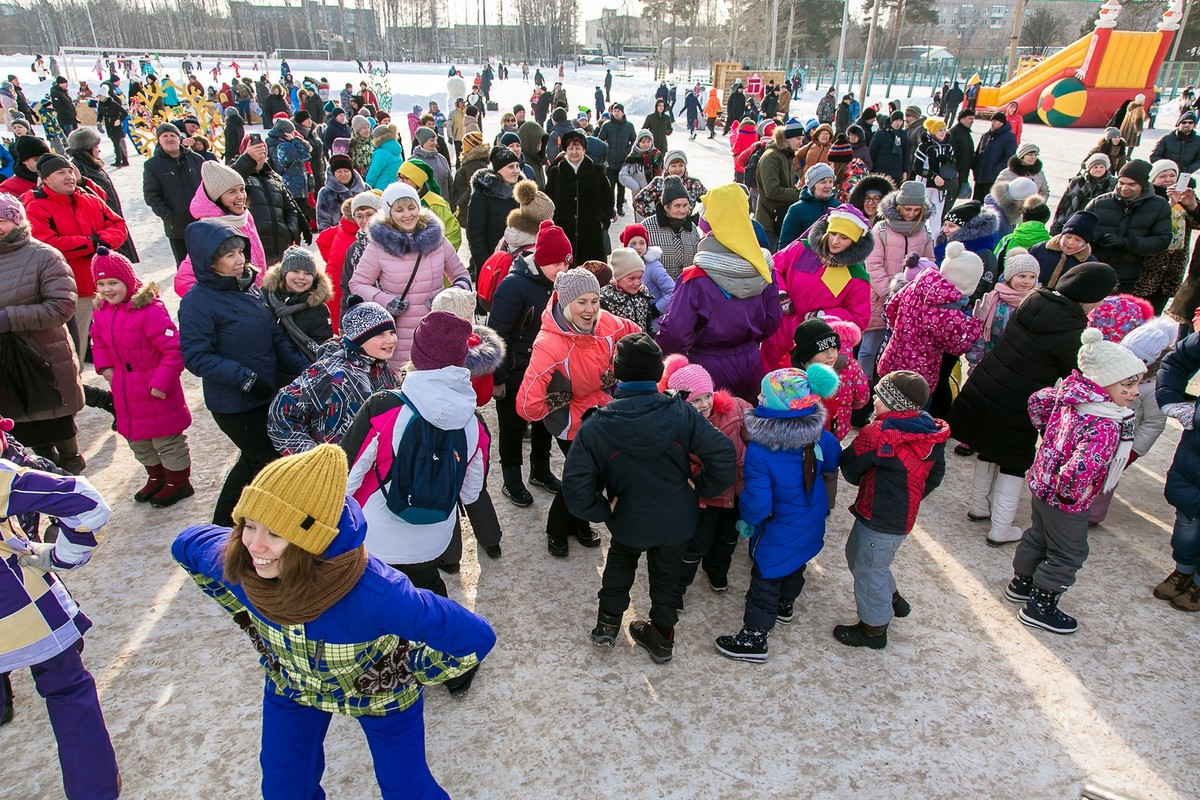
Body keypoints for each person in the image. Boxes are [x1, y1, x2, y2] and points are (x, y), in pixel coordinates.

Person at [173, 444, 495, 799]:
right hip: (293, 686)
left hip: (378, 697)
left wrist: (408, 670)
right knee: (284, 787)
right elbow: (186, 546)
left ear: (312, 541)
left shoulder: (378, 594)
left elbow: (474, 637)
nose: (255, 546)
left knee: (406, 788)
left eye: (276, 534)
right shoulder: (239, 563)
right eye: (249, 526)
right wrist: (246, 618)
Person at [565, 332, 735, 664]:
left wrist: (601, 509)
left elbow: (574, 486)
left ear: (617, 373)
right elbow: (723, 454)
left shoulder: (596, 424)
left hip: (627, 517)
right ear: (658, 373)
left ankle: (607, 626)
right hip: (678, 517)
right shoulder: (682, 413)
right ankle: (661, 638)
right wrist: (701, 489)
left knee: (620, 564)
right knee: (667, 577)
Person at [951, 262, 1118, 547]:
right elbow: (1074, 372)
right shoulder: (1071, 329)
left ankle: (979, 506)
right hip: (1019, 400)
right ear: (1089, 296)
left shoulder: (1035, 300)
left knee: (986, 447)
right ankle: (1000, 528)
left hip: (987, 383)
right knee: (1014, 461)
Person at [1006, 329, 1144, 634]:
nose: (1134, 391)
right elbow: (1083, 466)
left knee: (1039, 534)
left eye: (1137, 383)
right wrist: (1070, 495)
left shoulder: (1071, 395)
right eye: (1127, 383)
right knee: (1069, 552)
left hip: (1042, 483)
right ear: (1103, 381)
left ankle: (1022, 583)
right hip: (1067, 499)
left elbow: (1037, 401)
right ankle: (1040, 606)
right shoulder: (1106, 421)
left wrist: (1049, 439)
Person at [0, 457, 119, 798]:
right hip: (24, 607)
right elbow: (85, 502)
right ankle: (93, 791)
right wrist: (63, 556)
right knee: (68, 690)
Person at [178, 219, 309, 526]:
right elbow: (196, 357)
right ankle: (229, 526)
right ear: (210, 262)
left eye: (240, 251)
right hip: (235, 403)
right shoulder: (198, 302)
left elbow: (274, 339)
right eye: (230, 255)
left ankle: (229, 524)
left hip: (266, 394)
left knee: (254, 459)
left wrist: (305, 370)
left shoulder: (249, 289)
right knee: (265, 460)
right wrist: (246, 379)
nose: (240, 260)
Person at [713, 366, 841, 662]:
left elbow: (758, 502)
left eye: (763, 394)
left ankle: (754, 638)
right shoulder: (820, 436)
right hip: (810, 519)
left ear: (777, 407)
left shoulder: (761, 451)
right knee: (796, 563)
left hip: (778, 528)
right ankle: (786, 605)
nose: (758, 396)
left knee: (765, 579)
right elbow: (833, 459)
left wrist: (748, 521)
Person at [517, 268, 640, 556]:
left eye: (594, 300)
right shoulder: (549, 344)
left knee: (596, 475)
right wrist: (563, 397)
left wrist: (618, 372)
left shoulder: (607, 323)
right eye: (581, 302)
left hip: (603, 414)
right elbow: (526, 406)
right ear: (564, 302)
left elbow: (637, 337)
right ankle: (557, 528)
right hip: (570, 422)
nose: (590, 309)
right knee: (580, 477)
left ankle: (579, 522)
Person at [834, 370, 949, 649]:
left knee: (869, 569)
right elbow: (935, 474)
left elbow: (850, 468)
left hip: (878, 515)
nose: (874, 399)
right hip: (898, 516)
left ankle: (873, 629)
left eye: (880, 396)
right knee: (863, 558)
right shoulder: (930, 432)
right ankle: (892, 598)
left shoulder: (879, 433)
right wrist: (910, 495)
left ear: (894, 404)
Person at [90, 244, 195, 507]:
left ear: (127, 281)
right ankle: (156, 476)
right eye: (101, 284)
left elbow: (173, 350)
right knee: (137, 438)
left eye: (113, 283)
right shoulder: (102, 310)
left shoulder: (149, 310)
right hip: (125, 387)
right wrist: (106, 368)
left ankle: (178, 481)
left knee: (166, 438)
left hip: (153, 385)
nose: (107, 290)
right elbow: (98, 341)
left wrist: (160, 383)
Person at [0, 194, 86, 471]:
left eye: (0, 221)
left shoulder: (43, 255)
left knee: (60, 430)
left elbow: (62, 307)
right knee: (31, 440)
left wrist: (7, 318)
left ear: (16, 220)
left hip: (44, 359)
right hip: (7, 369)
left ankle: (75, 487)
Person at [349, 183, 471, 372]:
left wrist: (448, 297)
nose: (407, 214)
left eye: (412, 207)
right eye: (399, 210)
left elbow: (461, 276)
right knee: (402, 388)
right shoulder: (379, 246)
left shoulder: (437, 240)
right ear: (390, 213)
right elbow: (357, 283)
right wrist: (386, 301)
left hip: (437, 331)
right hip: (399, 337)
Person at [488, 215, 564, 506]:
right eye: (556, 263)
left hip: (549, 369)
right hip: (516, 369)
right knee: (512, 426)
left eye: (566, 263)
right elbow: (496, 335)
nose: (562, 269)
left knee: (546, 421)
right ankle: (511, 480)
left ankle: (541, 471)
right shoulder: (513, 285)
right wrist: (497, 379)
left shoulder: (559, 283)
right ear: (541, 259)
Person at [24, 153, 129, 362]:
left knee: (121, 341)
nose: (69, 176)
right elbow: (48, 243)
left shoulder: (89, 197)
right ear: (46, 180)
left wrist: (102, 241)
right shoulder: (36, 206)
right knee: (75, 348)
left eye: (70, 171)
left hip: (106, 284)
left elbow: (119, 226)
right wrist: (92, 243)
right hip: (72, 287)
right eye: (61, 173)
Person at [763, 205, 874, 370]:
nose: (835, 241)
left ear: (855, 242)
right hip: (777, 330)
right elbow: (774, 267)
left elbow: (859, 318)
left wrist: (823, 316)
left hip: (812, 347)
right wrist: (780, 294)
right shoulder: (801, 249)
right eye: (833, 233)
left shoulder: (857, 276)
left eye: (844, 237)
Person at [877, 241, 985, 394]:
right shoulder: (950, 314)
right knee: (910, 415)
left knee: (883, 405)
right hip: (919, 378)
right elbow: (960, 345)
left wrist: (901, 332)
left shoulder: (918, 284)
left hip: (891, 359)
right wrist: (977, 321)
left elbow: (892, 306)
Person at [860, 182, 935, 380]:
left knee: (899, 351)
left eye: (915, 210)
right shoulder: (881, 229)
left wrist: (910, 293)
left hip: (910, 302)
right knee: (869, 349)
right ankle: (863, 388)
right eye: (907, 209)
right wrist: (890, 292)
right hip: (880, 298)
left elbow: (930, 263)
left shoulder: (924, 231)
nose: (910, 214)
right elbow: (873, 265)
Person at [174, 160, 269, 296]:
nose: (241, 196)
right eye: (232, 192)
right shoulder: (211, 229)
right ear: (217, 198)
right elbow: (183, 281)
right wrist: (222, 304)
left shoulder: (243, 217)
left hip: (255, 296)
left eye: (242, 189)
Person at [1156, 328, 1200, 610]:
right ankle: (1183, 569)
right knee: (1186, 522)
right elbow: (1177, 360)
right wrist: (1172, 402)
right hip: (1195, 456)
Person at [1085, 159, 1172, 293]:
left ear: (1143, 185)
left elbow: (1162, 240)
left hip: (1128, 278)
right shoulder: (1099, 203)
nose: (1124, 188)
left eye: (1131, 184)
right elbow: (1081, 229)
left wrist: (1127, 242)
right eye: (1121, 183)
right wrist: (1097, 236)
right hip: (1093, 271)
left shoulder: (1159, 206)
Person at [66, 127, 138, 263]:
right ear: (87, 149)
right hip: (101, 229)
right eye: (96, 146)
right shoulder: (79, 170)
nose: (98, 150)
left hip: (112, 223)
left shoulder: (92, 165)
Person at [1135, 159, 1199, 313]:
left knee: (1156, 312)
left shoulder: (1186, 195)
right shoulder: (1147, 197)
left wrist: (1192, 205)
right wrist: (1172, 203)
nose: (1168, 179)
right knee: (1139, 310)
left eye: (1172, 175)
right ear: (1153, 179)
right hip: (1148, 264)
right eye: (1163, 176)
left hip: (1173, 264)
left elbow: (1196, 224)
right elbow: (1148, 224)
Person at [261, 247, 334, 379]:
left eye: (307, 273)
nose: (301, 277)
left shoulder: (317, 308)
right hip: (265, 367)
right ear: (284, 272)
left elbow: (322, 347)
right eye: (295, 271)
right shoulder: (265, 297)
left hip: (298, 373)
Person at [545, 129, 612, 264]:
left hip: (590, 233)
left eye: (578, 148)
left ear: (584, 150)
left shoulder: (597, 172)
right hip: (563, 232)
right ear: (565, 150)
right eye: (570, 148)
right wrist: (553, 222)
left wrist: (602, 220)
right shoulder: (555, 173)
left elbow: (608, 199)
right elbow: (548, 201)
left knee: (590, 272)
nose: (574, 152)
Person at [967, 248, 1041, 369]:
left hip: (1022, 365)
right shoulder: (993, 299)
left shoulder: (1037, 302)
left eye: (1032, 277)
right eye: (1022, 276)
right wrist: (975, 363)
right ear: (1009, 277)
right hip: (990, 360)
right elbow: (978, 333)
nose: (1027, 281)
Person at [143, 121, 204, 265]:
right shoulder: (153, 165)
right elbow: (151, 195)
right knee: (184, 266)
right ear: (159, 140)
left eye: (172, 135)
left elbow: (208, 186)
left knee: (206, 262)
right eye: (165, 136)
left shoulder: (196, 159)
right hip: (177, 227)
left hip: (202, 222)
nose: (169, 139)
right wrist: (169, 216)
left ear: (179, 138)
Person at [466, 146, 522, 276]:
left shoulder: (522, 193)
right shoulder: (481, 196)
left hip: (519, 266)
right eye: (511, 167)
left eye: (517, 166)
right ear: (498, 170)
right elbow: (475, 236)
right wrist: (487, 265)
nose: (516, 171)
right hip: (492, 267)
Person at [639, 175, 701, 281]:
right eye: (677, 206)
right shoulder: (646, 227)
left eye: (685, 205)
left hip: (684, 290)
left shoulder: (692, 229)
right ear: (666, 207)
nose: (682, 210)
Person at [754, 120, 804, 247]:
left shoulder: (786, 156)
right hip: (768, 221)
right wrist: (799, 194)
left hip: (780, 218)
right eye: (798, 138)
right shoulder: (772, 156)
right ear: (787, 138)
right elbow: (772, 191)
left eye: (802, 139)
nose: (801, 142)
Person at [778, 163, 842, 249]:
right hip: (805, 259)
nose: (828, 186)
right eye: (823, 182)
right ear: (813, 186)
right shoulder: (797, 209)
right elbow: (785, 245)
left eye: (830, 182)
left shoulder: (839, 207)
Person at [1031, 210, 1098, 289]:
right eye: (1068, 237)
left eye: (1077, 240)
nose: (1070, 242)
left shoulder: (1089, 263)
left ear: (1085, 243)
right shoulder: (1041, 248)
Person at [632, 150, 705, 220]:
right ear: (667, 167)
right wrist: (656, 216)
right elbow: (638, 202)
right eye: (673, 166)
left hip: (686, 229)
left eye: (681, 165)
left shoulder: (694, 184)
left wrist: (697, 218)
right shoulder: (659, 183)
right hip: (662, 228)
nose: (677, 169)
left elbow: (710, 201)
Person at [1052, 154, 1116, 234]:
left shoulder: (1112, 183)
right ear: (1089, 168)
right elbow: (1064, 205)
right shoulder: (1077, 182)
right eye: (1095, 167)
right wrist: (1057, 226)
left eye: (1102, 167)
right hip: (1074, 222)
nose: (1098, 170)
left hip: (1099, 226)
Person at [599, 247, 656, 332]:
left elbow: (648, 324)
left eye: (640, 277)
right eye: (631, 278)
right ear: (618, 277)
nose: (637, 282)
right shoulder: (606, 299)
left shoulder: (642, 293)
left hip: (642, 342)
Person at [598, 103, 636, 215]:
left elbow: (635, 141)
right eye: (614, 111)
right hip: (610, 162)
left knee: (621, 187)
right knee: (610, 187)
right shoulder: (607, 125)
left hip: (623, 162)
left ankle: (620, 207)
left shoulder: (629, 126)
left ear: (622, 112)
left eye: (618, 111)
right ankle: (610, 208)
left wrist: (627, 151)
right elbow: (600, 140)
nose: (616, 113)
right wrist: (607, 151)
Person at [972, 111, 1017, 201]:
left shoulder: (1009, 137)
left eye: (995, 121)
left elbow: (1009, 157)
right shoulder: (986, 135)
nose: (992, 123)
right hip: (980, 176)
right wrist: (976, 168)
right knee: (976, 202)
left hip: (993, 177)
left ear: (1001, 123)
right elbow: (978, 153)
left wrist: (996, 171)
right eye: (992, 121)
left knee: (988, 202)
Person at [316, 153, 367, 232]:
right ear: (333, 174)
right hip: (337, 236)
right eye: (339, 171)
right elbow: (323, 221)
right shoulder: (325, 192)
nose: (343, 174)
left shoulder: (365, 188)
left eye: (346, 171)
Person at [1121, 94, 1147, 158]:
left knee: (1124, 142)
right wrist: (1139, 129)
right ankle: (1128, 156)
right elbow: (1138, 119)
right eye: (1144, 99)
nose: (1144, 101)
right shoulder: (1139, 108)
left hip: (1126, 126)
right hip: (1133, 128)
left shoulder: (1130, 106)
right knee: (1132, 143)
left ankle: (1122, 155)